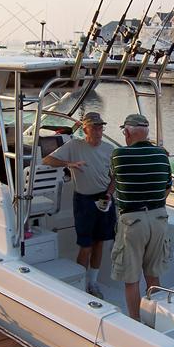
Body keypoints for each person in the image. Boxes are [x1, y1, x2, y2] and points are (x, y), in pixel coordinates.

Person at [43, 112, 115, 299]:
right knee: (86, 245)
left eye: (100, 127)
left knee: (100, 243)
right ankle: (80, 285)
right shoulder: (74, 145)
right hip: (84, 201)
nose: (98, 131)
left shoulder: (110, 149)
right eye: (94, 127)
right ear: (85, 129)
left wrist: (109, 193)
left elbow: (116, 177)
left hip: (105, 199)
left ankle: (92, 282)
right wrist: (69, 164)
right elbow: (47, 160)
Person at [110, 114, 172, 320]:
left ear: (127, 133)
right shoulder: (162, 154)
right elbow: (166, 189)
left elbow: (115, 182)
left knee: (131, 277)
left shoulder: (118, 155)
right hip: (159, 219)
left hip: (133, 221)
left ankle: (136, 321)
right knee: (153, 275)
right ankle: (156, 319)